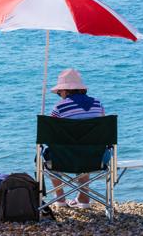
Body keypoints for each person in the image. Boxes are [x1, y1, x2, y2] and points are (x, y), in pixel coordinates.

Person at [48, 68, 105, 209]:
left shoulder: (59, 108)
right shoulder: (98, 104)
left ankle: (60, 198)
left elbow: (50, 135)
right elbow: (101, 132)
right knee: (86, 147)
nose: (60, 95)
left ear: (66, 91)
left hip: (64, 158)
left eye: (59, 92)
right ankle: (84, 198)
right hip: (95, 158)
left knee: (50, 155)